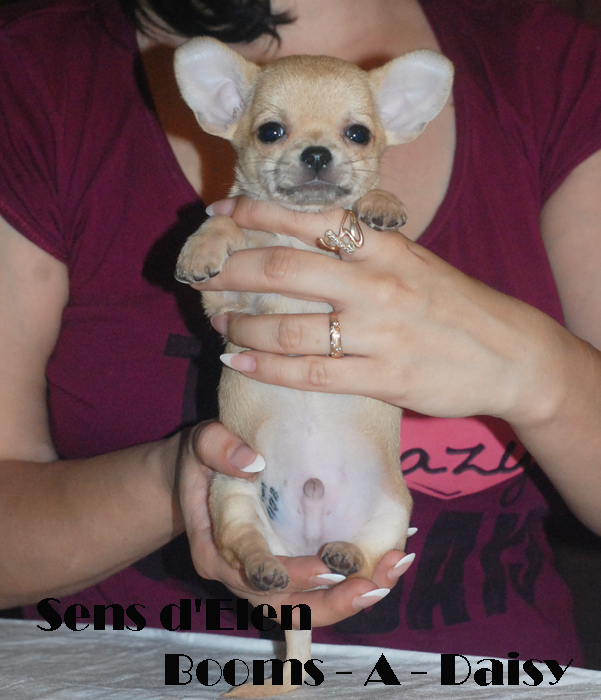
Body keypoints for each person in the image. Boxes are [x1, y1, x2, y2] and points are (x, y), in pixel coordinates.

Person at [1, 0, 600, 668]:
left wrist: (539, 372)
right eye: (273, 131)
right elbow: (218, 298)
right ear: (221, 108)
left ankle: (359, 556)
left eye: (354, 134)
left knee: (385, 510)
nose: (316, 154)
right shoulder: (36, 77)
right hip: (125, 666)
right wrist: (172, 478)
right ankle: (254, 548)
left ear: (400, 118)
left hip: (492, 671)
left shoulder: (550, 63)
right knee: (239, 502)